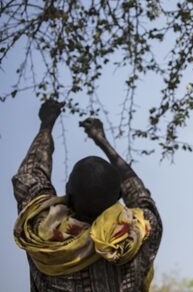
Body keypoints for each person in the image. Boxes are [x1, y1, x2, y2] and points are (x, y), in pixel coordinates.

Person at [12, 100, 162, 292]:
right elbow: (139, 194)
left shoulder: (39, 230)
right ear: (118, 195)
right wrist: (102, 141)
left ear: (68, 191)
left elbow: (30, 176)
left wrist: (46, 125)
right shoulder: (140, 231)